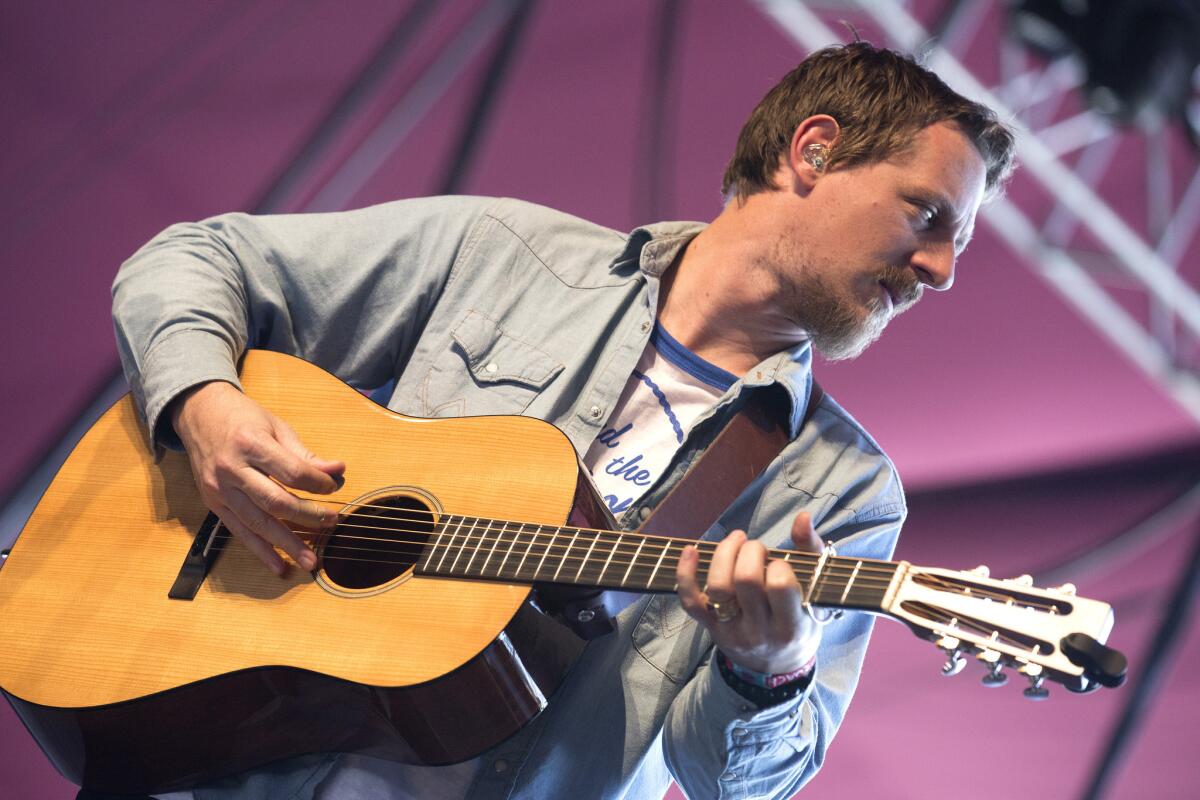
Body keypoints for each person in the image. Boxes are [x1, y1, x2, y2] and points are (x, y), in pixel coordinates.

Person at [112, 42, 1014, 800]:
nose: (938, 269)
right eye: (926, 213)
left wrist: (768, 669)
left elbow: (732, 784)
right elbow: (199, 260)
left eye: (958, 244)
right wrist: (205, 407)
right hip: (216, 755)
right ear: (812, 151)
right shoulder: (504, 256)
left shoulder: (844, 494)